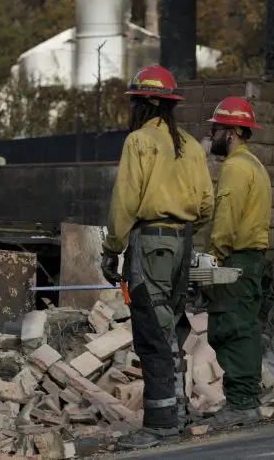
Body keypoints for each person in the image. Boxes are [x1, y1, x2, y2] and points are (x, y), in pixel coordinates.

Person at [100, 65, 214, 450]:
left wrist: (111, 249)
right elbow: (206, 206)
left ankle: (161, 422)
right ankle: (178, 413)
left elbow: (126, 202)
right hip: (182, 243)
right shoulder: (192, 146)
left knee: (151, 330)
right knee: (172, 328)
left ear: (145, 102)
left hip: (149, 242)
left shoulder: (139, 142)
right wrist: (181, 233)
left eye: (134, 102)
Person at [202, 97, 272, 429]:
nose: (212, 134)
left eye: (215, 128)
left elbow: (226, 220)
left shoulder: (234, 168)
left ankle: (242, 404)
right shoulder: (255, 165)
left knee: (232, 329)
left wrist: (212, 259)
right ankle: (246, 400)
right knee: (245, 327)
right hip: (252, 260)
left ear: (231, 132)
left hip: (236, 260)